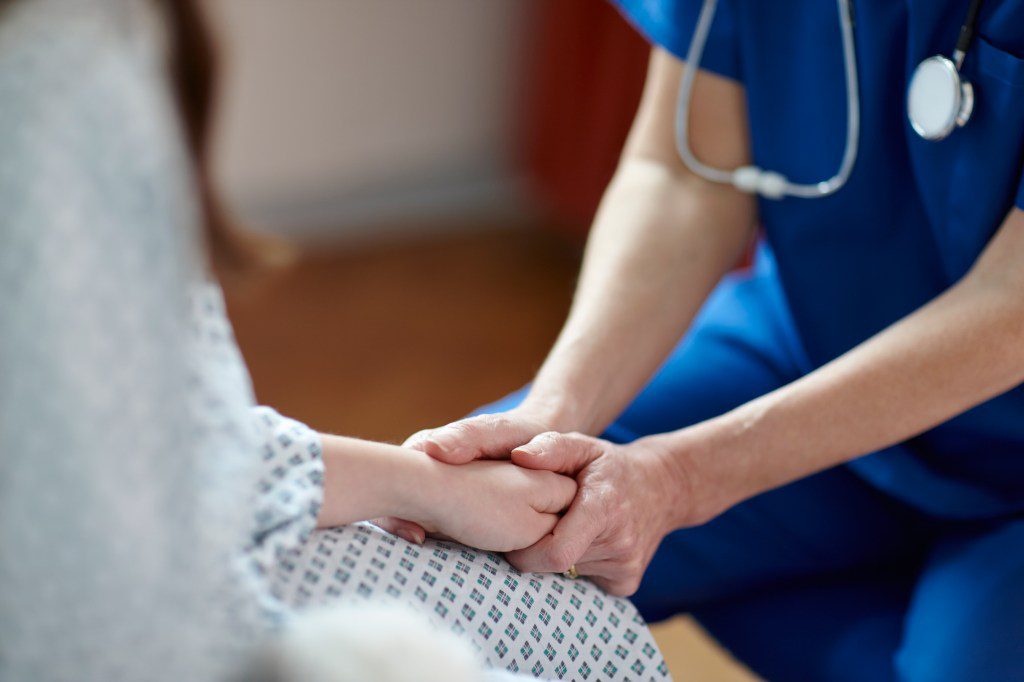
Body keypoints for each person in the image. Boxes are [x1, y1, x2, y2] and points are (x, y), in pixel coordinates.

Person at [0, 1, 669, 680]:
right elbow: (110, 595)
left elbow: (152, 441)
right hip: (145, 623)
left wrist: (431, 483)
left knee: (577, 620)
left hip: (191, 544)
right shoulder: (62, 74)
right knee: (575, 627)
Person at [385, 1, 1024, 680]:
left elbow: (1010, 304)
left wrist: (681, 481)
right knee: (452, 549)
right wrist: (550, 420)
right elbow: (687, 173)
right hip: (795, 353)